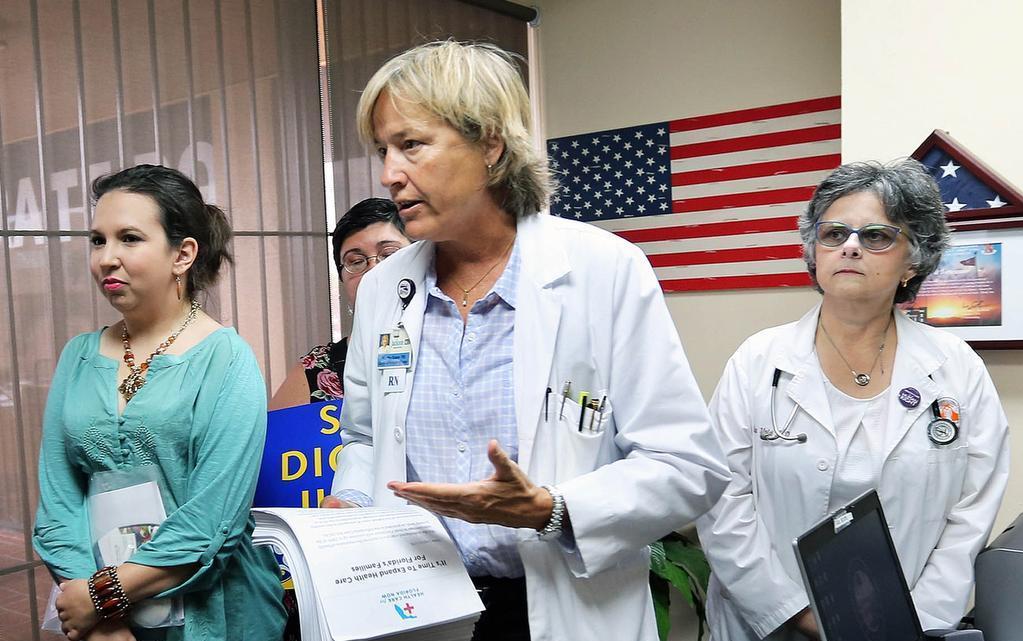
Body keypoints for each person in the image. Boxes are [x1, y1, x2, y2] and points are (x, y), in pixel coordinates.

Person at [324, 40, 730, 641]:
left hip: (559, 606)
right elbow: (364, 434)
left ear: (491, 145)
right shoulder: (386, 288)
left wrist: (552, 510)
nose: (389, 174)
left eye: (411, 145)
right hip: (421, 604)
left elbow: (686, 465)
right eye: (383, 150)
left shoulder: (603, 271)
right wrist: (351, 501)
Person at [696, 159, 1011, 640]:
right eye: (834, 233)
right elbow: (722, 500)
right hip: (768, 624)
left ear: (914, 260)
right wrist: (796, 614)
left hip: (902, 627)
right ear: (814, 251)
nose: (850, 247)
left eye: (877, 237)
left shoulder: (956, 368)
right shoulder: (758, 360)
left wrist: (913, 621)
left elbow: (973, 510)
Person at [33, 164, 287, 641]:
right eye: (98, 240)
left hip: (216, 612)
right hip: (103, 618)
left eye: (129, 238)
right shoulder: (77, 357)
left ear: (183, 254)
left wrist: (102, 598)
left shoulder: (226, 358)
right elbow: (58, 504)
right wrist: (102, 619)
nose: (106, 258)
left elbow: (213, 523)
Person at [268, 198, 410, 410]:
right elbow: (281, 441)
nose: (373, 270)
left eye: (388, 255)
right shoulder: (315, 372)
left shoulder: (454, 349)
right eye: (356, 261)